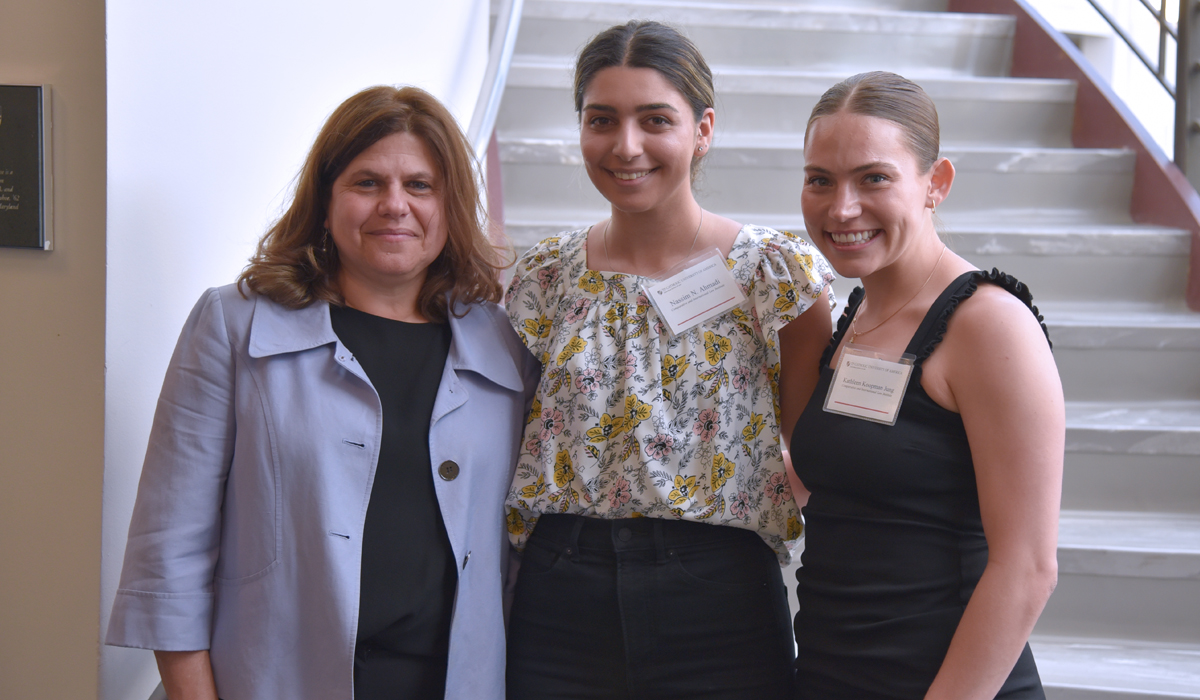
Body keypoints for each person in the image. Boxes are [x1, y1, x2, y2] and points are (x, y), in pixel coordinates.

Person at [106, 85, 537, 700]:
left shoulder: (502, 343)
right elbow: (169, 547)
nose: (395, 205)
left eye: (420, 185)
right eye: (367, 183)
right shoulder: (235, 325)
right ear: (326, 201)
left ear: (452, 205)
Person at [503, 20, 836, 699]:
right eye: (602, 120)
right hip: (560, 589)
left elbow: (816, 449)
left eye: (656, 119)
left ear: (702, 129)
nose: (626, 146)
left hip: (719, 593)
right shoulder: (545, 275)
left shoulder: (773, 274)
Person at [790, 71, 1064, 700]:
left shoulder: (988, 323)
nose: (842, 209)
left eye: (874, 178)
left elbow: (1027, 569)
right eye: (820, 180)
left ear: (935, 183)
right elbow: (847, 479)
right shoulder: (854, 315)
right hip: (833, 672)